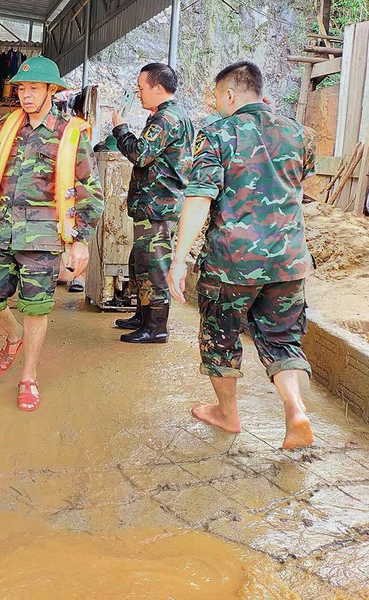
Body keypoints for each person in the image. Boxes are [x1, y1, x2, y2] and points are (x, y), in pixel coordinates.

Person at [166, 62, 316, 449]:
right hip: (287, 261)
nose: (216, 104)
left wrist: (179, 258)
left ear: (230, 95)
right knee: (282, 340)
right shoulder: (300, 134)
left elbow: (200, 197)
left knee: (220, 340)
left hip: (232, 263)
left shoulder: (218, 133)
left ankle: (227, 414)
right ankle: (295, 410)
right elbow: (297, 182)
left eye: (217, 97)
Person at [0, 56, 104, 412]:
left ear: (51, 91)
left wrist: (80, 240)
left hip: (42, 236)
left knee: (37, 308)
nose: (25, 95)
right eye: (22, 88)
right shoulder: (7, 126)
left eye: (34, 88)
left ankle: (29, 377)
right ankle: (13, 337)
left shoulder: (70, 133)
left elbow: (91, 191)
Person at [111, 63, 194, 343]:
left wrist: (120, 129)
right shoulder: (166, 116)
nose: (139, 94)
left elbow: (141, 154)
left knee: (154, 266)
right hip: (154, 205)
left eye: (141, 88)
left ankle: (156, 327)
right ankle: (143, 316)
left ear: (158, 88)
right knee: (141, 263)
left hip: (159, 207)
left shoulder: (167, 119)